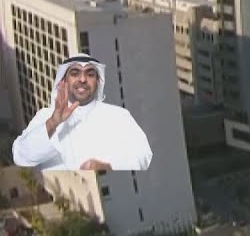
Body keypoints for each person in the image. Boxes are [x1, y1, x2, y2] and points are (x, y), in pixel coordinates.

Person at [11, 53, 153, 172]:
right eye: (75, 73)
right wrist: (53, 123)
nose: (83, 79)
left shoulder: (118, 116)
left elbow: (143, 157)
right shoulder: (45, 115)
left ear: (98, 82)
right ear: (64, 81)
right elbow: (21, 158)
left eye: (90, 74)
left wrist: (107, 167)